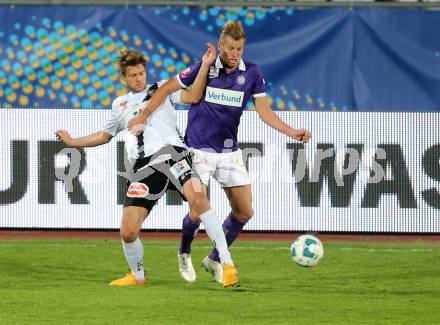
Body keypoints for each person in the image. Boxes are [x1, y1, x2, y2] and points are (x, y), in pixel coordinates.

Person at [128, 21, 311, 283]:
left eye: (239, 48)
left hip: (229, 153)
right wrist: (144, 115)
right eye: (229, 48)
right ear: (221, 46)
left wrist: (292, 132)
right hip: (198, 150)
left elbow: (265, 112)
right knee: (197, 210)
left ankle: (213, 258)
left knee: (245, 212)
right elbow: (167, 87)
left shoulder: (253, 74)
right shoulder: (206, 68)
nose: (234, 54)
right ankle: (184, 252)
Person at [55, 46, 240, 288]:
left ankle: (227, 265)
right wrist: (72, 142)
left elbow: (193, 96)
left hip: (174, 155)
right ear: (123, 78)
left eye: (141, 73)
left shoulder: (162, 89)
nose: (138, 78)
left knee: (199, 199)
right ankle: (138, 276)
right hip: (145, 167)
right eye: (132, 75)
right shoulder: (119, 104)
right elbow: (104, 135)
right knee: (128, 230)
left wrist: (205, 65)